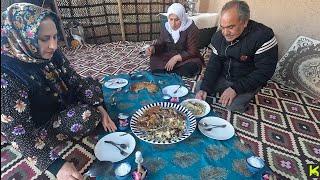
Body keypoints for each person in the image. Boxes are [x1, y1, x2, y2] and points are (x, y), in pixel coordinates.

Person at [1, 3, 117, 179]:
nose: (54, 45)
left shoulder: (51, 52)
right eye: (45, 39)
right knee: (86, 116)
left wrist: (101, 108)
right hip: (42, 125)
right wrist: (57, 166)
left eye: (55, 37)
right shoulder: (8, 75)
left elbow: (74, 79)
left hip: (61, 102)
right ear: (24, 37)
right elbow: (19, 132)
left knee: (92, 84)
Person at [196, 0, 278, 113]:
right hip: (225, 76)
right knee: (200, 88)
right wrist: (205, 88)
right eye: (222, 27)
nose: (225, 33)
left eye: (230, 27)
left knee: (233, 106)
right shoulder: (218, 37)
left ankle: (242, 93)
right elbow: (214, 65)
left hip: (247, 79)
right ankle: (223, 89)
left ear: (244, 22)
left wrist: (236, 89)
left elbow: (265, 71)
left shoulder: (263, 36)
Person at [146, 3, 204, 78]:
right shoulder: (167, 27)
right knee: (154, 60)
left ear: (182, 18)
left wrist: (176, 58)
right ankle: (173, 71)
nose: (173, 24)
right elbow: (160, 44)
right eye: (171, 19)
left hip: (185, 58)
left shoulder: (191, 28)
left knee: (193, 66)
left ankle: (167, 71)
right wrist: (153, 49)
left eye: (177, 20)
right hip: (168, 55)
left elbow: (192, 51)